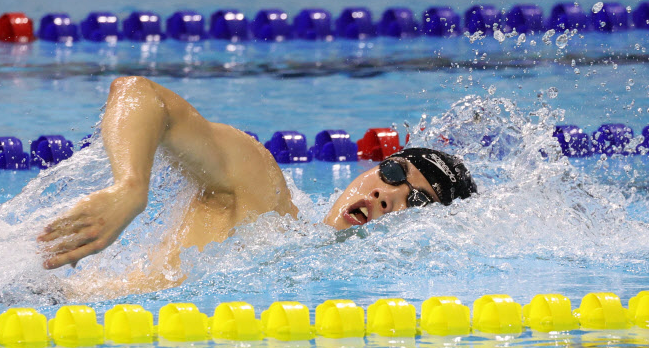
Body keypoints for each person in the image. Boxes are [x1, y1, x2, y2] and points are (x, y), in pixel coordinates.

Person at [37, 76, 476, 294]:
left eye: (416, 200)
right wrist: (130, 187)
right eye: (394, 175)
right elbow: (139, 93)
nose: (387, 195)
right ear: (369, 169)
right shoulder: (262, 193)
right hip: (50, 301)